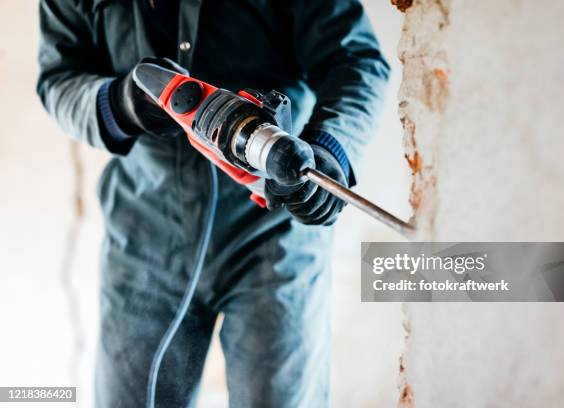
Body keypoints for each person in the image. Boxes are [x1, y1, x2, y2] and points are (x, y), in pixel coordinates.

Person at [37, 0, 389, 406]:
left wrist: (331, 149)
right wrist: (117, 104)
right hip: (143, 235)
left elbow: (355, 60)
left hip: (273, 239)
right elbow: (59, 79)